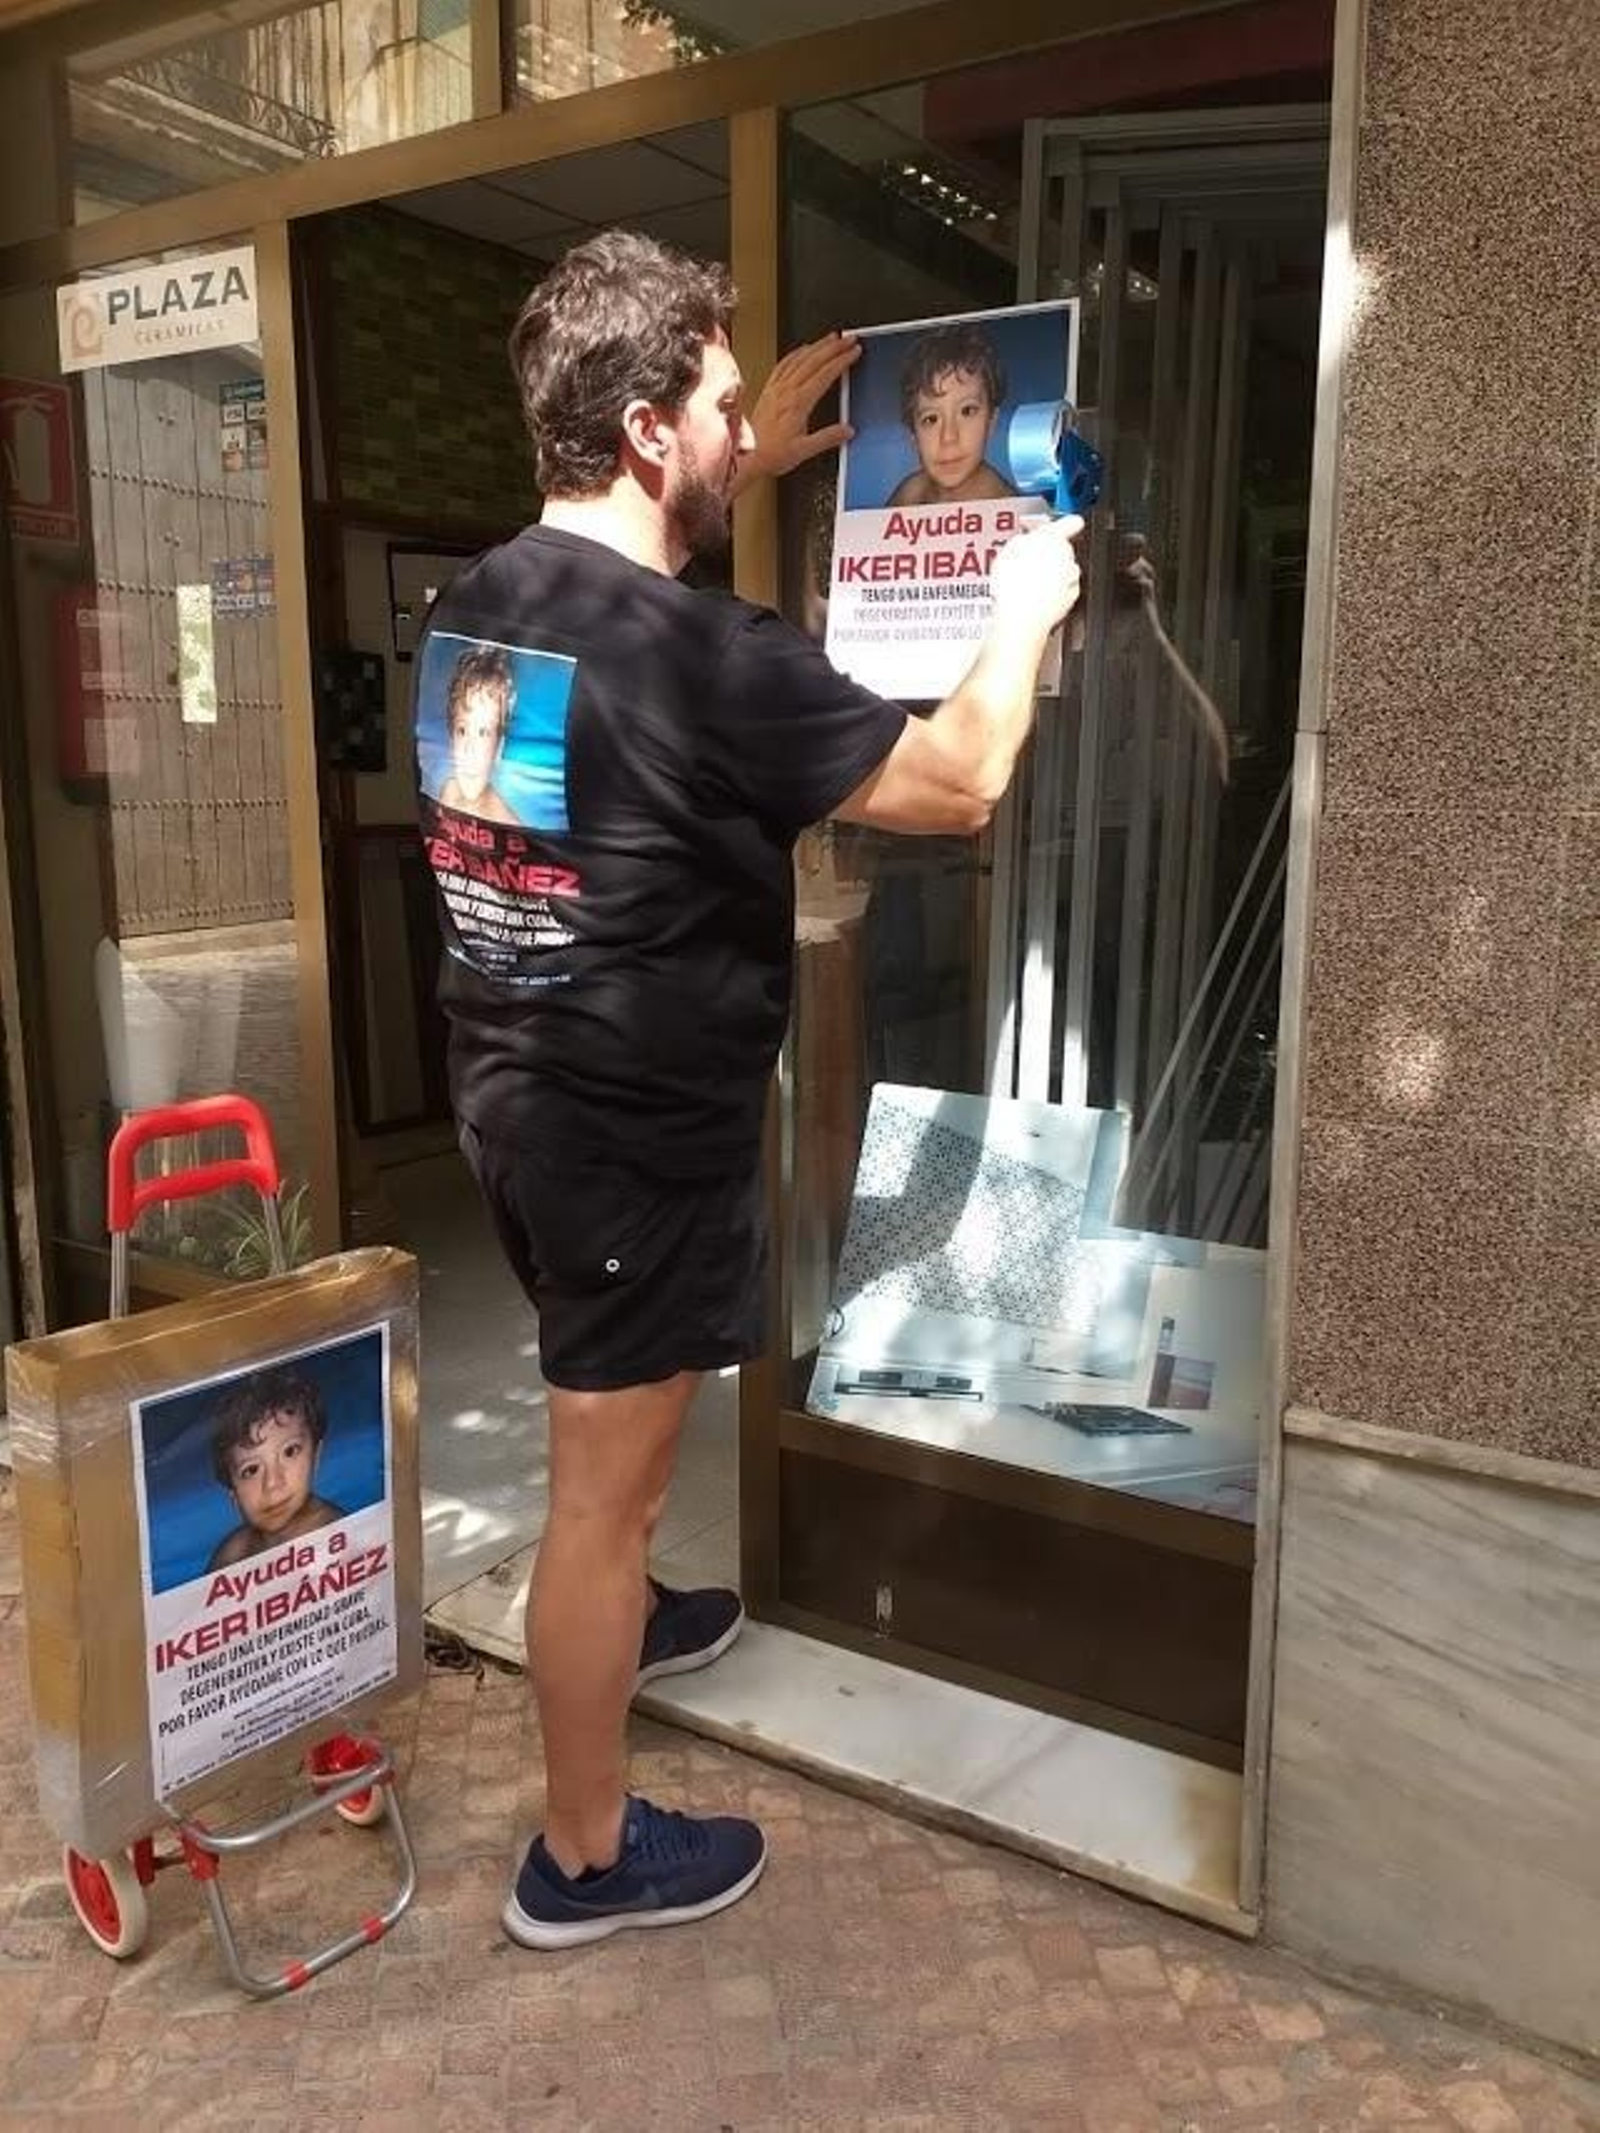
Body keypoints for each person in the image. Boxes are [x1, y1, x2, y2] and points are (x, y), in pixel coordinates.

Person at [413, 231, 1080, 1952]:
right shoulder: (715, 655)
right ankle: (579, 1851)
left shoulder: (484, 602)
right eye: (719, 403)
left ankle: (627, 1601)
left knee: (611, 1454)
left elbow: (629, 703)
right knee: (598, 1491)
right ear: (645, 432)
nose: (738, 422)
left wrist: (759, 466)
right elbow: (962, 778)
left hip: (515, 1089)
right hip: (627, 1129)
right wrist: (1018, 608)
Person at [205, 1366, 346, 1571]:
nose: (272, 1483)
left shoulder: (336, 1535)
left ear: (316, 1456)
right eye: (251, 1470)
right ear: (233, 1495)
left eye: (290, 1452)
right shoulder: (232, 1555)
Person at [885, 321, 1017, 507]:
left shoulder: (1006, 504)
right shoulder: (911, 493)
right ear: (913, 436)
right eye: (931, 419)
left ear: (991, 422)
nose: (949, 437)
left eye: (967, 411)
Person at [437, 643, 521, 824]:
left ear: (499, 748)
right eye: (462, 731)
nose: (470, 750)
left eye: (483, 732)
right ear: (451, 740)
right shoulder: (449, 792)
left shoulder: (508, 824)